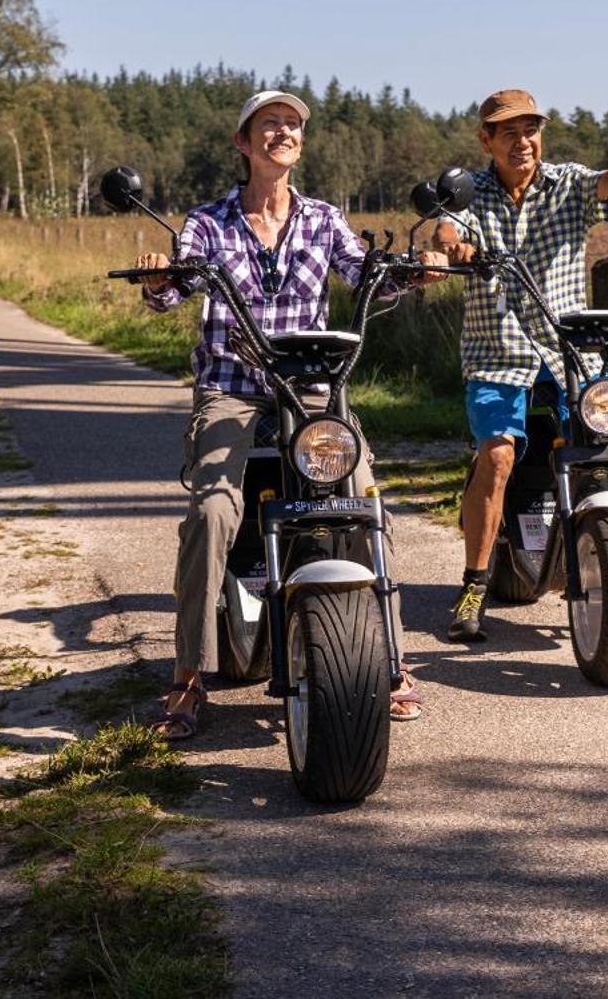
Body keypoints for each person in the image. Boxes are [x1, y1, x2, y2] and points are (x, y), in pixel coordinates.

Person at [136, 89, 430, 736]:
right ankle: (186, 676)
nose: (283, 133)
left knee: (362, 496)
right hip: (233, 388)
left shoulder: (324, 218)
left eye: (292, 125)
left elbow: (366, 273)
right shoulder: (209, 223)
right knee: (212, 508)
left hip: (312, 390)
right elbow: (175, 286)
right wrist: (160, 281)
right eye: (269, 125)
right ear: (244, 143)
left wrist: (415, 272)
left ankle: (390, 656)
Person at [434, 88, 608, 642]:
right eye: (509, 132)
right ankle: (474, 586)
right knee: (498, 454)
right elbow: (447, 229)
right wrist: (453, 248)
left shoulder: (566, 184)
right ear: (486, 140)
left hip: (568, 345)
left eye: (531, 130)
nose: (523, 142)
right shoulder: (470, 192)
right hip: (497, 350)